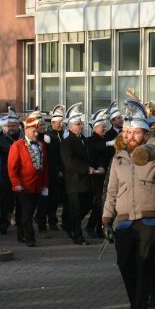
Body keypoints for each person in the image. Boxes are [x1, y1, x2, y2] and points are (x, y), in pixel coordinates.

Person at [102, 100, 155, 309]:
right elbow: (112, 190)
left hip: (150, 217)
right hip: (125, 218)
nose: (130, 136)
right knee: (124, 264)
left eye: (135, 132)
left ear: (145, 134)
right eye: (127, 132)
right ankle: (137, 303)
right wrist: (106, 219)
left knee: (144, 264)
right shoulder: (118, 158)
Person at [8, 111, 48, 247]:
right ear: (26, 131)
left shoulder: (41, 145)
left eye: (37, 131)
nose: (36, 134)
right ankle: (29, 236)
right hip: (24, 185)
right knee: (27, 212)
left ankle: (21, 234)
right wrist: (16, 183)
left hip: (37, 185)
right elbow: (12, 167)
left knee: (26, 212)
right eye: (33, 131)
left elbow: (44, 166)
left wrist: (45, 185)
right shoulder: (17, 145)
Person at [60, 105, 93, 245]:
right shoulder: (67, 142)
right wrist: (86, 168)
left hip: (85, 180)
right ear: (71, 127)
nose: (81, 126)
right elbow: (69, 161)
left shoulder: (84, 139)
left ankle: (69, 225)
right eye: (78, 124)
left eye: (81, 124)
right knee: (76, 209)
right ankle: (77, 236)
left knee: (87, 205)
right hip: (74, 181)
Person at [0, 108, 21, 235]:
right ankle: (3, 224)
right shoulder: (2, 140)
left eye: (13, 126)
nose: (11, 128)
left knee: (21, 202)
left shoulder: (24, 139)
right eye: (9, 126)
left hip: (22, 176)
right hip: (6, 175)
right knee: (5, 202)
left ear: (18, 126)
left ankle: (20, 224)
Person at [86, 110, 114, 238]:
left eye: (105, 127)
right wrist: (100, 167)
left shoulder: (105, 139)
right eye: (102, 127)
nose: (104, 129)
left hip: (105, 174)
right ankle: (90, 226)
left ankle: (99, 228)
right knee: (98, 203)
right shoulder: (90, 140)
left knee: (103, 204)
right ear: (95, 128)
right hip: (95, 176)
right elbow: (97, 149)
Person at [39, 106, 66, 237]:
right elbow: (51, 157)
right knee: (51, 199)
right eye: (59, 122)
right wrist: (57, 170)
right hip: (52, 173)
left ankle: (53, 220)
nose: (61, 125)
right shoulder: (48, 136)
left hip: (62, 171)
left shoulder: (62, 135)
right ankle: (51, 221)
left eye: (62, 122)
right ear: (53, 123)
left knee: (57, 199)